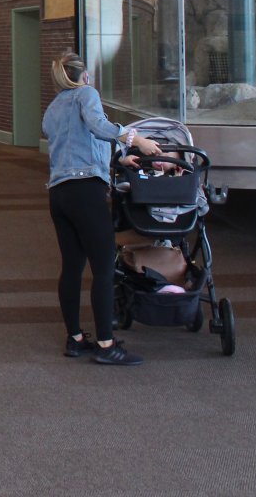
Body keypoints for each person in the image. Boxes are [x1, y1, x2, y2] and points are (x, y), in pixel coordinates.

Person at [43, 51, 164, 366]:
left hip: (59, 194)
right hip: (86, 193)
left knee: (71, 267)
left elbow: (76, 144)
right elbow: (98, 126)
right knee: (104, 267)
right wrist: (137, 140)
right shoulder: (87, 94)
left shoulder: (54, 108)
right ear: (83, 76)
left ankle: (75, 338)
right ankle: (107, 345)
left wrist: (117, 160)